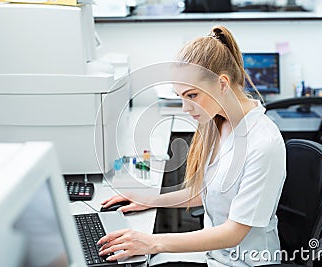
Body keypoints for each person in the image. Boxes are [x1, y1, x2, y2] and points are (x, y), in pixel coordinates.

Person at [98, 25, 286, 267]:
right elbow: (211, 193)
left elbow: (234, 232)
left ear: (223, 83)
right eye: (180, 97)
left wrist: (152, 241)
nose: (186, 108)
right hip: (217, 257)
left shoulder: (263, 144)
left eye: (192, 95)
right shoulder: (220, 123)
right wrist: (152, 200)